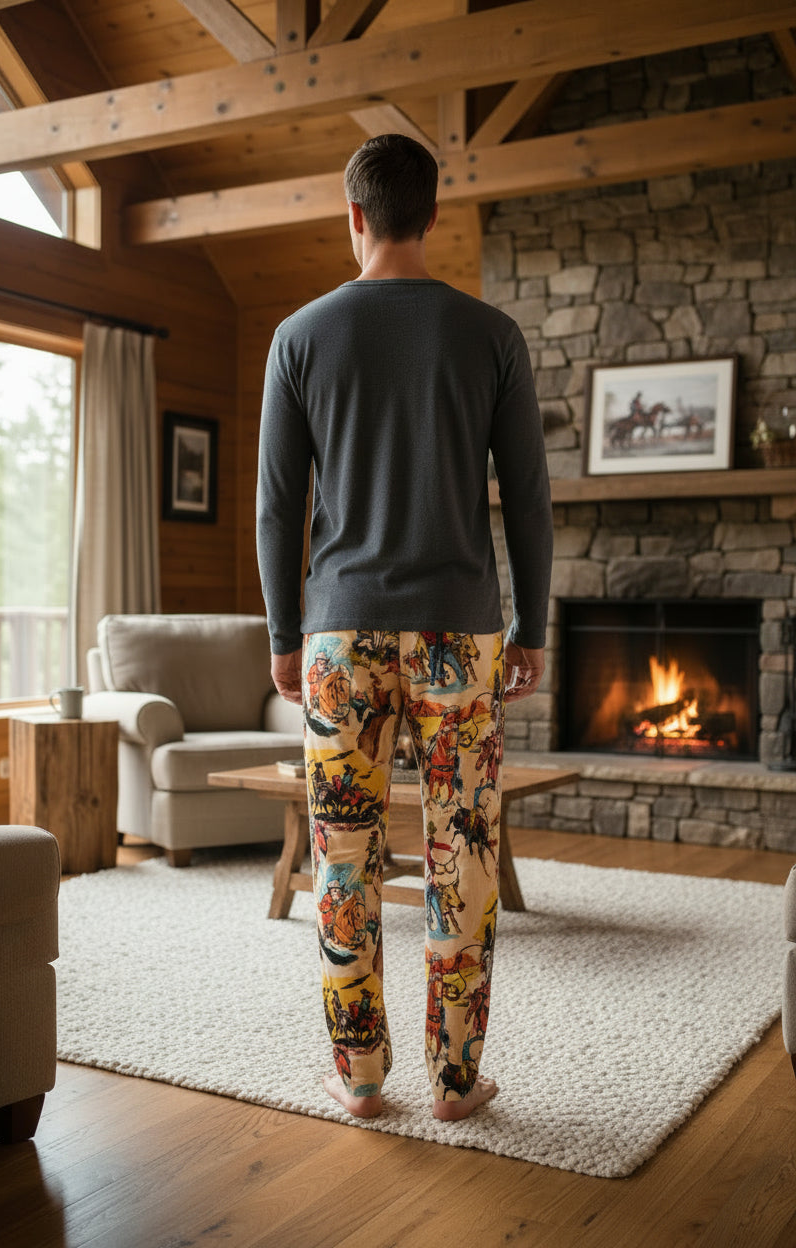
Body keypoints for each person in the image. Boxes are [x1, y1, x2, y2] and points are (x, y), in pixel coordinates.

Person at [256, 133, 553, 1124]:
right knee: (459, 855)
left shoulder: (298, 335)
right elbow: (530, 502)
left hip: (338, 638)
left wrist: (283, 635)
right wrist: (531, 625)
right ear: (432, 216)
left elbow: (275, 506)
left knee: (340, 860)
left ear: (352, 216)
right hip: (459, 640)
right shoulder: (489, 333)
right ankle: (457, 1083)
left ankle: (361, 1077)